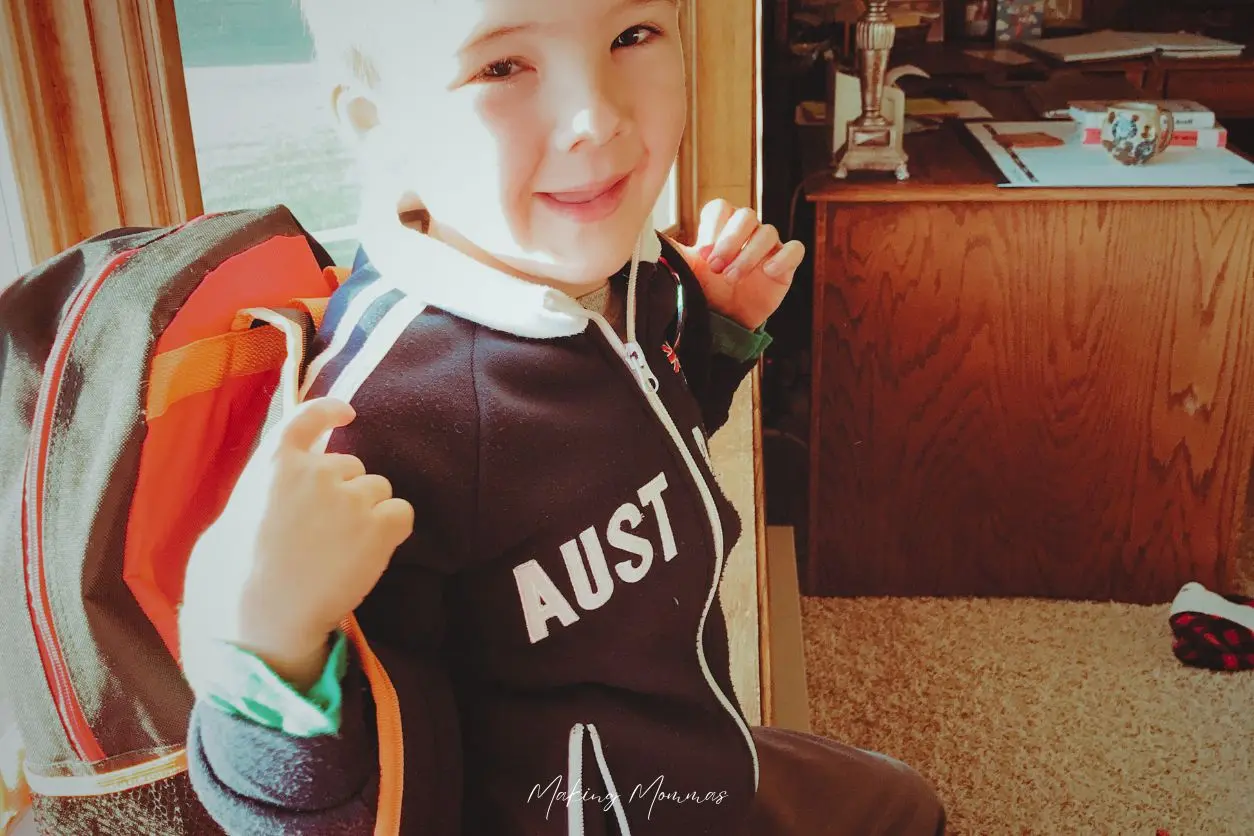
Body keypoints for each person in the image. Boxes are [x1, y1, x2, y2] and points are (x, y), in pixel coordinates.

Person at [176, 0, 947, 833]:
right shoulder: (379, 422)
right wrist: (272, 649)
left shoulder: (626, 276)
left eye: (632, 36)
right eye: (502, 67)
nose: (597, 120)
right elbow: (335, 811)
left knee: (901, 802)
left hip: (687, 761)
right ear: (376, 124)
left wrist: (714, 342)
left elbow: (624, 464)